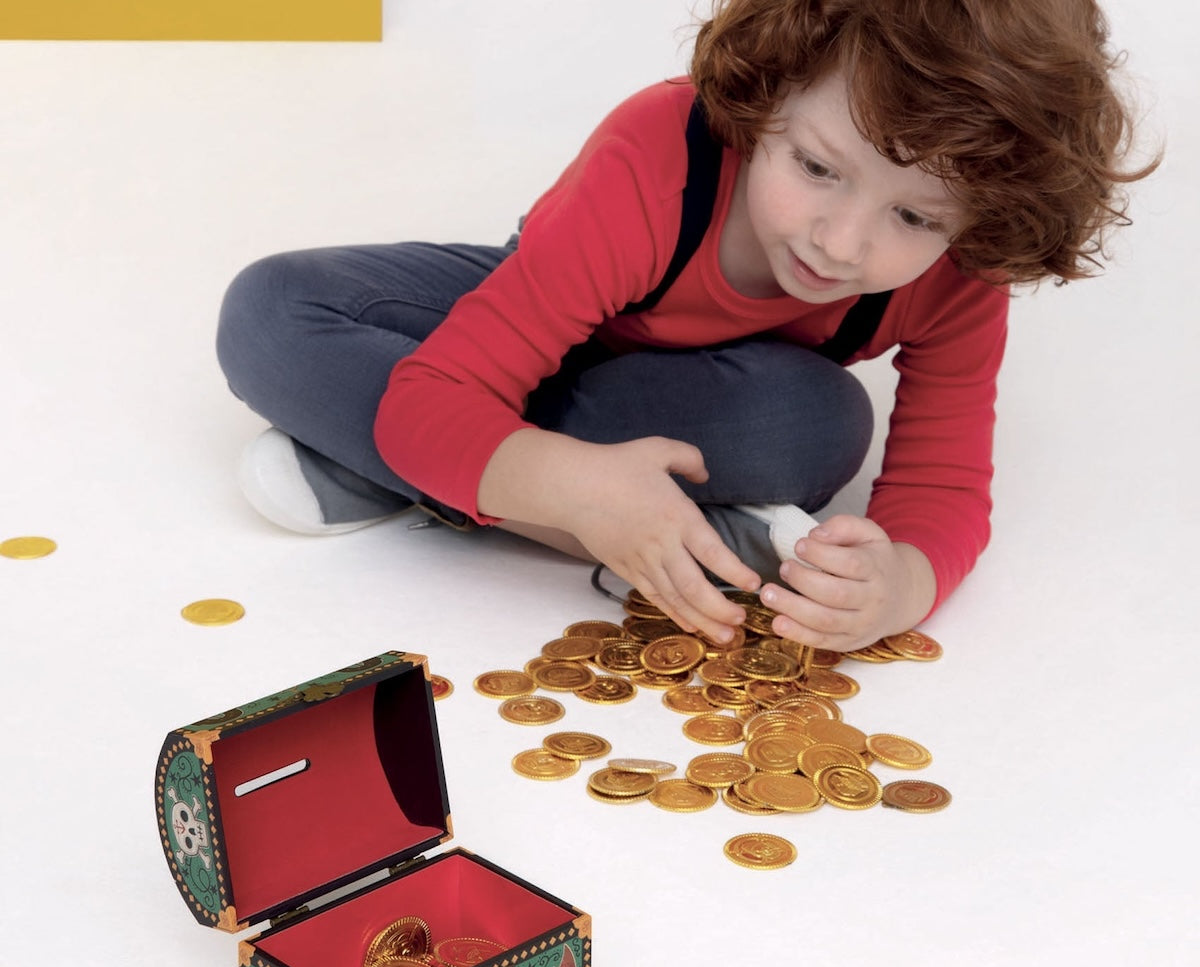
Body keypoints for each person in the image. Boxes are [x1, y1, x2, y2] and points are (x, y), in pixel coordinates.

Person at [216, 0, 1155, 650]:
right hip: (549, 309)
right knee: (271, 311)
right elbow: (458, 376)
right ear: (769, 91)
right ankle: (623, 518)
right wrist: (577, 492)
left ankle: (394, 462)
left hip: (695, 402)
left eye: (914, 218)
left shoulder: (962, 273)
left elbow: (943, 484)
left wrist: (901, 586)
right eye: (818, 167)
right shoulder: (657, 153)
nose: (839, 242)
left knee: (816, 426)